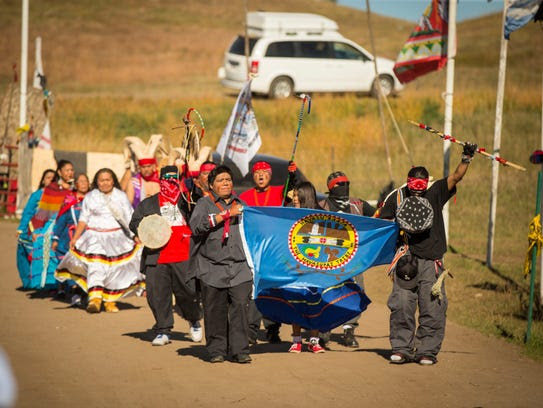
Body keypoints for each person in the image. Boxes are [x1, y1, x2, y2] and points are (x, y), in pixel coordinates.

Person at [379, 142, 476, 365]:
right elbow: (382, 225)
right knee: (402, 305)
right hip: (406, 260)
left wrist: (466, 157)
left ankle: (427, 351)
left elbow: (456, 177)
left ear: (427, 182)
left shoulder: (436, 191)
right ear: (407, 180)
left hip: (432, 263)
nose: (416, 187)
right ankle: (401, 348)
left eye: (421, 183)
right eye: (412, 182)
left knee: (432, 307)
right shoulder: (397, 197)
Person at [129, 165, 203, 346]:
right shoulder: (149, 203)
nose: (169, 183)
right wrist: (143, 232)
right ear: (160, 180)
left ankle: (193, 319)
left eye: (173, 179)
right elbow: (135, 222)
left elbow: (201, 213)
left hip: (184, 254)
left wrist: (193, 188)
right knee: (156, 294)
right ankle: (163, 329)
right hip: (157, 254)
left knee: (188, 291)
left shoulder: (188, 200)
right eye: (166, 179)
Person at [56, 168, 144, 313]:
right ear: (97, 182)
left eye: (108, 180)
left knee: (115, 270)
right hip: (94, 237)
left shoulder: (120, 196)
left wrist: (136, 236)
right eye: (101, 180)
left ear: (113, 180)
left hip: (117, 238)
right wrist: (76, 238)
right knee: (96, 265)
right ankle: (94, 299)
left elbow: (129, 218)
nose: (105, 183)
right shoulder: (91, 196)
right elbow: (83, 219)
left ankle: (109, 300)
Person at [189, 165, 252, 364]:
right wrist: (226, 214)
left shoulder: (242, 204)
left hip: (240, 268)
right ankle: (217, 350)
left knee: (240, 308)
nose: (225, 183)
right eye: (220, 180)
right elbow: (196, 226)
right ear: (212, 185)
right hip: (212, 268)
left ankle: (239, 349)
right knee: (214, 310)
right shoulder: (204, 203)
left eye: (228, 180)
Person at [239, 160, 296, 344]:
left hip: (276, 250)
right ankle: (251, 331)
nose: (261, 175)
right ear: (253, 176)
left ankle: (273, 328)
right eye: (257, 172)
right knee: (256, 289)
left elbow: (291, 190)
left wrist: (292, 175)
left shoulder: (279, 192)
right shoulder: (245, 196)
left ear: (270, 175)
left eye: (264, 172)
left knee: (274, 291)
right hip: (254, 249)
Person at [318, 171, 375, 348]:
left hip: (354, 258)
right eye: (339, 184)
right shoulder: (321, 206)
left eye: (346, 183)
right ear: (330, 187)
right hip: (328, 258)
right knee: (328, 293)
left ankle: (349, 330)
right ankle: (324, 330)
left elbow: (379, 217)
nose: (344, 187)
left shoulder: (358, 204)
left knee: (355, 292)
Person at [288, 181, 326, 354]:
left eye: (297, 195)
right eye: (294, 195)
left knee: (315, 302)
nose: (294, 199)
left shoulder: (322, 215)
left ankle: (314, 340)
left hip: (317, 266)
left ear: (306, 196)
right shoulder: (288, 213)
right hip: (295, 265)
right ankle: (296, 340)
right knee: (296, 302)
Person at [27, 160, 75, 291]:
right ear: (60, 172)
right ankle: (55, 284)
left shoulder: (76, 189)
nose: (70, 173)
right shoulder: (52, 189)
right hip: (53, 224)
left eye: (72, 170)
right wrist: (36, 230)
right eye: (67, 170)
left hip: (71, 224)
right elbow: (43, 213)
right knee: (43, 243)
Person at [51, 173, 90, 306]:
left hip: (89, 240)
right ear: (76, 185)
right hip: (70, 239)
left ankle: (86, 292)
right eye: (81, 181)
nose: (84, 183)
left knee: (87, 267)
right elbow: (61, 221)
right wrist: (55, 238)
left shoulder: (93, 200)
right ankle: (74, 294)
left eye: (86, 181)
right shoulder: (69, 202)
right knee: (73, 266)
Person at [16, 168, 55, 288]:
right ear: (43, 180)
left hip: (48, 232)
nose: (51, 180)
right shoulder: (37, 195)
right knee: (24, 257)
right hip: (31, 231)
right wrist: (21, 229)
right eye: (48, 178)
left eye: (54, 179)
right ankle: (29, 283)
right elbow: (28, 213)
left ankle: (47, 283)